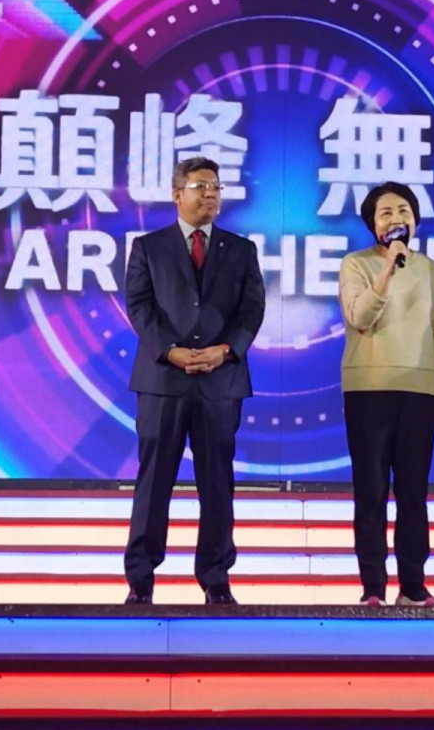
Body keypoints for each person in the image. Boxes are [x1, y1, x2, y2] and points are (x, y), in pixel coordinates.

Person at [122, 156, 265, 605]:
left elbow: (252, 310)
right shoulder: (149, 247)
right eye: (201, 186)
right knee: (154, 481)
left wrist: (225, 350)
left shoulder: (241, 250)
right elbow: (139, 306)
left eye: (216, 187)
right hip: (163, 379)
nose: (210, 195)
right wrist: (170, 350)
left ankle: (216, 577)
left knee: (217, 483)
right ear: (176, 194)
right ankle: (141, 579)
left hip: (220, 381)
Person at [338, 181, 434, 607]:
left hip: (420, 390)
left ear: (416, 220)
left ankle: (413, 584)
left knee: (412, 492)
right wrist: (388, 269)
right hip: (369, 388)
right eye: (385, 212)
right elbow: (360, 317)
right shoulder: (356, 264)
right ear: (372, 224)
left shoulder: (429, 269)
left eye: (403, 210)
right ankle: (373, 585)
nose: (396, 218)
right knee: (370, 490)